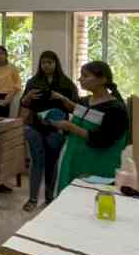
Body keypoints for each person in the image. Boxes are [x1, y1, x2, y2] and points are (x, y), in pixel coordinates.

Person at [51, 61, 129, 195]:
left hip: (98, 167)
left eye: (85, 76)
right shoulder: (86, 101)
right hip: (73, 160)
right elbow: (83, 113)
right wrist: (63, 100)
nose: (80, 79)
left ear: (102, 79)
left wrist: (70, 127)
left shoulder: (116, 109)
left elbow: (102, 140)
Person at [20, 51, 79, 212]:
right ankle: (32, 199)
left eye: (50, 62)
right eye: (43, 62)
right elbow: (24, 104)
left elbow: (75, 107)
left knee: (52, 162)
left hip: (57, 127)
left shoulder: (66, 83)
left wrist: (61, 98)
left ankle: (50, 198)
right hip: (34, 127)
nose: (46, 65)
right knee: (36, 162)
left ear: (56, 63)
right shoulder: (33, 81)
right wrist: (29, 96)